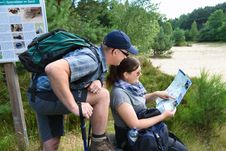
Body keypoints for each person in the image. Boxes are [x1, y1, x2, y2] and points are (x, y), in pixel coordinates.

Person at [27, 30, 138, 151]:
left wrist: (99, 81)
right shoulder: (90, 59)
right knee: (103, 95)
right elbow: (53, 69)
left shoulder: (96, 55)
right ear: (115, 51)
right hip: (46, 96)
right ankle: (98, 143)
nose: (126, 58)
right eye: (125, 54)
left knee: (51, 144)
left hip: (39, 94)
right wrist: (75, 106)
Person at [106, 57, 188, 151]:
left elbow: (138, 101)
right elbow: (135, 124)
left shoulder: (130, 85)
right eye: (137, 73)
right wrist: (163, 116)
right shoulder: (119, 94)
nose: (140, 74)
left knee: (181, 148)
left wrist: (156, 94)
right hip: (133, 139)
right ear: (126, 75)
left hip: (145, 132)